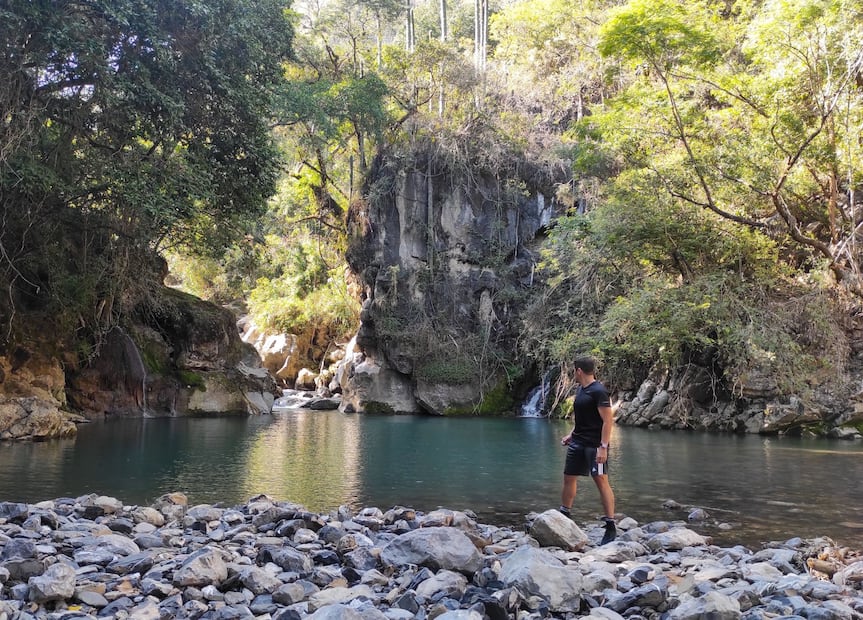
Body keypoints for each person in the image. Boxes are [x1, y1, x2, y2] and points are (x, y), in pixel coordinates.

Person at [559, 355, 616, 545]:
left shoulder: (599, 391)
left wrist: (603, 447)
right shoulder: (581, 389)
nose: (573, 374)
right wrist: (571, 434)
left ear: (579, 371)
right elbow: (583, 418)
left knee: (601, 481)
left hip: (595, 445)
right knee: (569, 477)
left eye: (573, 371)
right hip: (578, 442)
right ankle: (565, 515)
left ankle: (610, 525)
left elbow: (608, 421)